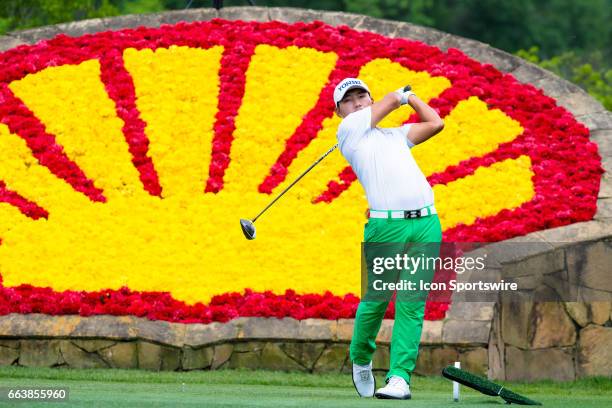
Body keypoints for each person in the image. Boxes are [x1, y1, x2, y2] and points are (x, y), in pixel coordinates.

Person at [333, 78, 444, 399]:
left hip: (426, 224)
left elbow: (435, 123)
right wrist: (399, 96)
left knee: (411, 305)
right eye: (349, 100)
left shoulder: (395, 136)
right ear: (340, 111)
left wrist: (412, 99)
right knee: (376, 301)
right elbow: (388, 104)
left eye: (361, 96)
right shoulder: (349, 132)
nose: (357, 102)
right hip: (386, 228)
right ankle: (361, 358)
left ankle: (399, 378)